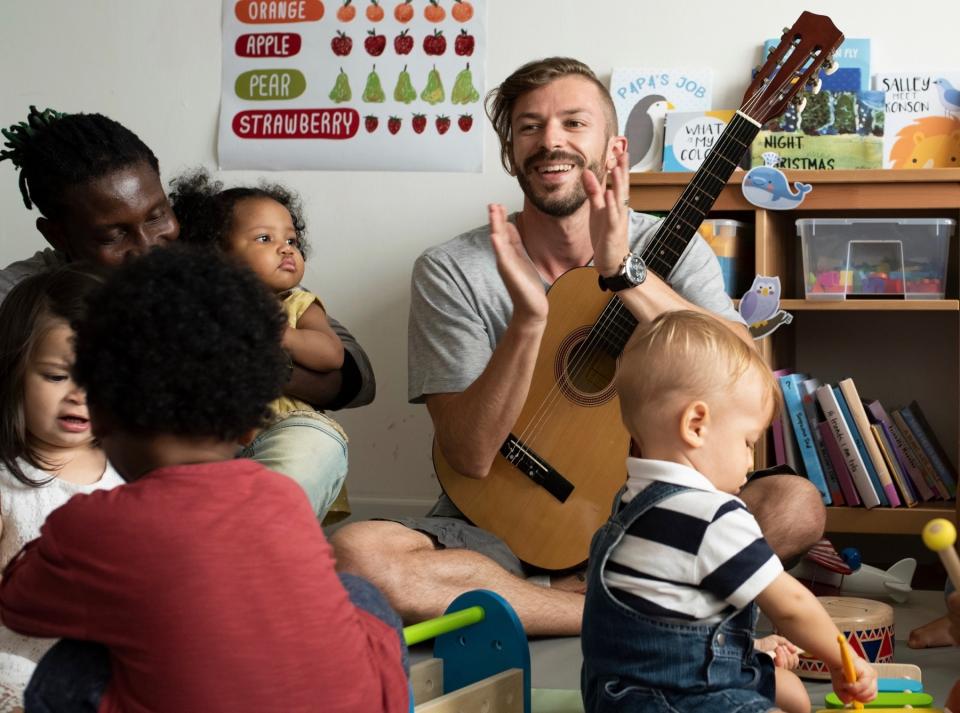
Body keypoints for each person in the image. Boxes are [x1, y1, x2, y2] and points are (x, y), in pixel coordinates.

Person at [331, 57, 826, 636]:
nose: (550, 142)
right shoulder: (453, 269)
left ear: (615, 149)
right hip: (502, 522)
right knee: (359, 555)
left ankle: (542, 601)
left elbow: (745, 373)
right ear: (511, 152)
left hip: (654, 515)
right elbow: (467, 456)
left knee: (796, 506)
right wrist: (529, 323)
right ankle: (630, 608)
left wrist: (628, 274)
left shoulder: (670, 248)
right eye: (529, 127)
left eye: (573, 123)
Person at [0, 247, 409, 712]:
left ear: (106, 414)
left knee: (70, 660)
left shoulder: (95, 523)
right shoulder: (282, 497)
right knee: (357, 596)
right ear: (246, 424)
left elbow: (19, 606)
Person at [581, 310, 877, 713]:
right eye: (747, 441)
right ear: (697, 425)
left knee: (789, 691)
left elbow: (678, 613)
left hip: (611, 693)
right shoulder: (712, 513)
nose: (750, 461)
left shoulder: (631, 501)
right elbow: (791, 605)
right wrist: (844, 657)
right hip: (673, 698)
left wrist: (752, 646)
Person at [0, 106, 374, 411]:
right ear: (57, 235)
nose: (147, 246)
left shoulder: (212, 263)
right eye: (113, 235)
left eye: (157, 215)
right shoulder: (20, 295)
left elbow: (358, 378)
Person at [169, 169, 350, 522]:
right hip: (208, 436)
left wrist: (285, 334)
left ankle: (265, 530)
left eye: (292, 240)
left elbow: (332, 356)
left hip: (281, 426)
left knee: (299, 456)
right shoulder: (193, 304)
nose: (286, 248)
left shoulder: (296, 305)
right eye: (265, 238)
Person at [0, 266, 124, 706]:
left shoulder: (128, 468)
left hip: (107, 665)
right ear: (13, 371)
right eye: (57, 376)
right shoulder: (7, 485)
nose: (79, 395)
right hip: (20, 663)